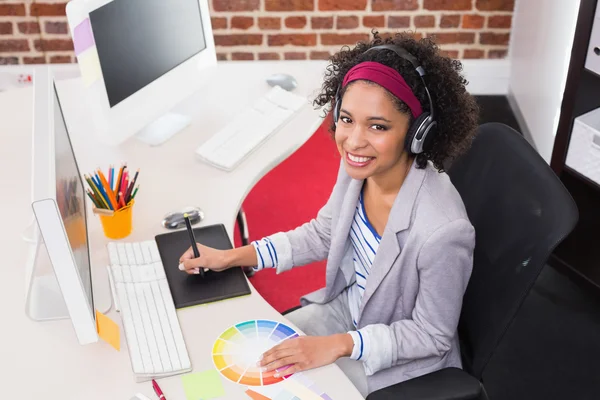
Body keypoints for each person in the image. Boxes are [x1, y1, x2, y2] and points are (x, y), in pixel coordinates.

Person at [179, 31, 479, 397]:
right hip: (345, 312)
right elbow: (323, 234)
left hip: (397, 357)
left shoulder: (443, 230)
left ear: (417, 133)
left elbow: (431, 335)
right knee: (244, 366)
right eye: (347, 119)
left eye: (378, 126)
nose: (353, 140)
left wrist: (339, 345)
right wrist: (236, 255)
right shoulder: (361, 168)